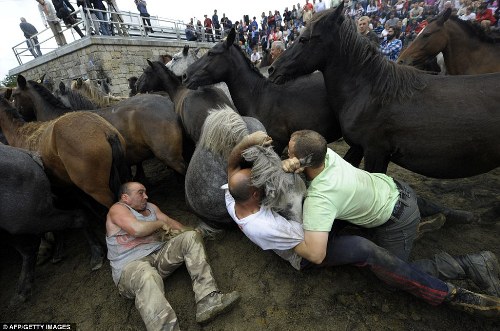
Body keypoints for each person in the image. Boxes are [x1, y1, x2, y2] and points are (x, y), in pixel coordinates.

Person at [224, 130, 500, 318]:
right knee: (385, 218)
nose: (287, 157)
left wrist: (250, 142)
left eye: (291, 154)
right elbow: (234, 166)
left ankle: (468, 266)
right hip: (396, 189)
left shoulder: (236, 195)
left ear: (301, 162)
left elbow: (317, 253)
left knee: (394, 274)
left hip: (395, 218)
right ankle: (454, 217)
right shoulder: (327, 154)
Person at [106, 182, 240, 330]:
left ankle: (208, 301)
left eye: (145, 192)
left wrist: (193, 232)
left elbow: (171, 223)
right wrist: (158, 224)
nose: (146, 196)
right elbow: (136, 230)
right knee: (147, 275)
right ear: (125, 197)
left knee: (190, 237)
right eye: (140, 193)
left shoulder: (151, 208)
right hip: (130, 268)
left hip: (157, 258)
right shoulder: (118, 209)